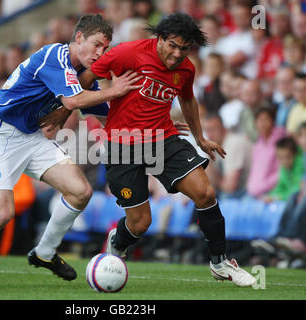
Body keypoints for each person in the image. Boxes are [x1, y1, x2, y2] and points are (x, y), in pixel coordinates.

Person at [42, 13, 256, 286]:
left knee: (205, 192)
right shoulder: (127, 53)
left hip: (163, 138)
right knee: (141, 223)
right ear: (160, 39)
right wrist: (66, 112)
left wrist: (200, 138)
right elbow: (85, 79)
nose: (178, 53)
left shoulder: (186, 70)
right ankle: (117, 241)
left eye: (185, 48)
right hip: (122, 145)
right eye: (173, 45)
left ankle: (220, 262)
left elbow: (188, 99)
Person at [0, 14, 142, 288]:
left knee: (80, 192)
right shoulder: (54, 55)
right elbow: (73, 99)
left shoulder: (83, 78)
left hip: (32, 138)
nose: (100, 53)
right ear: (78, 37)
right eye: (96, 45)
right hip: (0, 134)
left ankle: (45, 252)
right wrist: (114, 91)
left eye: (105, 48)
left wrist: (152, 124)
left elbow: (108, 116)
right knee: (1, 214)